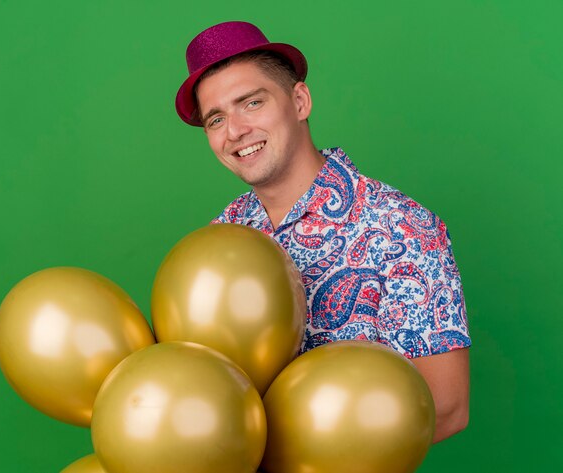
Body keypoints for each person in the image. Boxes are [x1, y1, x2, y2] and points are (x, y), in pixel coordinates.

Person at [175, 21, 471, 443]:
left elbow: (447, 408)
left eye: (252, 103)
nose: (235, 131)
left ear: (299, 100)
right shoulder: (222, 234)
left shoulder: (402, 227)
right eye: (216, 119)